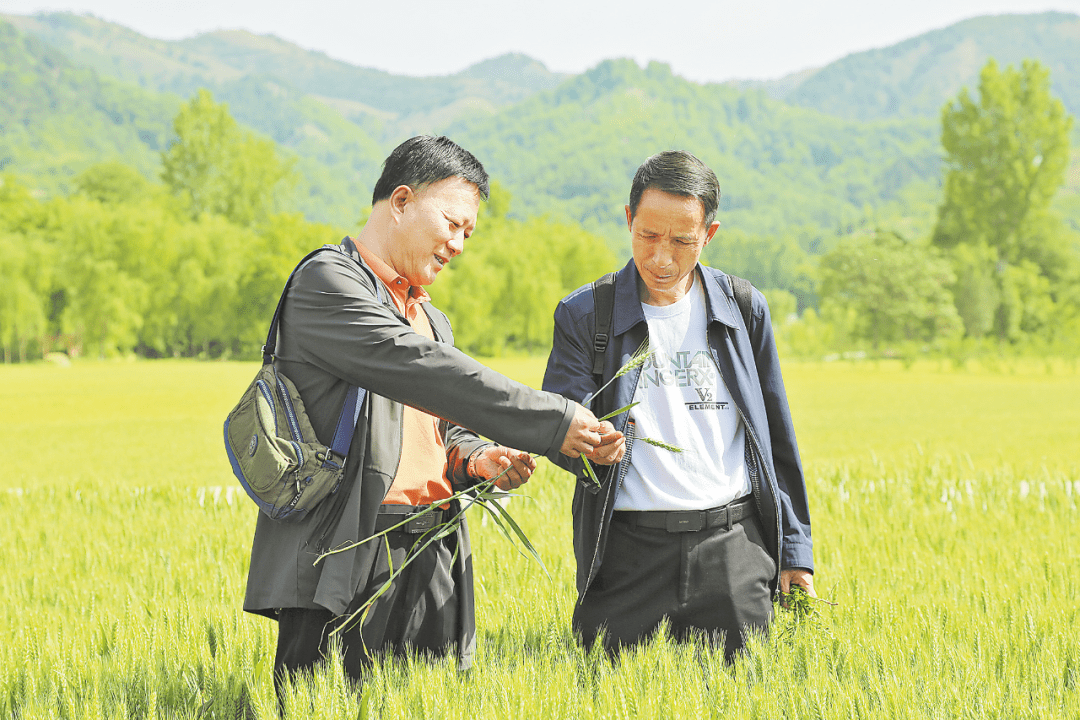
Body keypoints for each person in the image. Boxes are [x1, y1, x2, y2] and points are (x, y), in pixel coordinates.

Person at [243, 136, 607, 695]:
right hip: (349, 555)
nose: (459, 244)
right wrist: (554, 421)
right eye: (452, 222)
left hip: (433, 548)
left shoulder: (430, 317)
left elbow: (441, 426)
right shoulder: (328, 283)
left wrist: (479, 456)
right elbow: (420, 369)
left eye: (470, 232)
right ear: (402, 201)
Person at [542, 150, 814, 661]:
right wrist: (584, 444)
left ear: (709, 235)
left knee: (742, 699)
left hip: (733, 551)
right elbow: (560, 420)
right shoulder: (586, 313)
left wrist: (795, 550)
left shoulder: (742, 308)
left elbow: (775, 435)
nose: (661, 258)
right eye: (647, 236)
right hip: (626, 554)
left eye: (682, 242)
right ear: (628, 220)